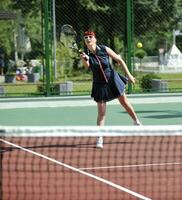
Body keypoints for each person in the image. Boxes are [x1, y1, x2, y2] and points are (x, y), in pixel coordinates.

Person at [80, 31, 141, 148]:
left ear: (95, 39)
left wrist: (129, 75)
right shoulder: (85, 54)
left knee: (124, 102)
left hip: (113, 79)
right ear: (85, 41)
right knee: (102, 113)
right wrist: (84, 59)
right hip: (100, 84)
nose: (88, 38)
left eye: (90, 37)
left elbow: (120, 60)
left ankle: (136, 122)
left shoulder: (104, 49)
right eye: (86, 37)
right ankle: (100, 138)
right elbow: (88, 67)